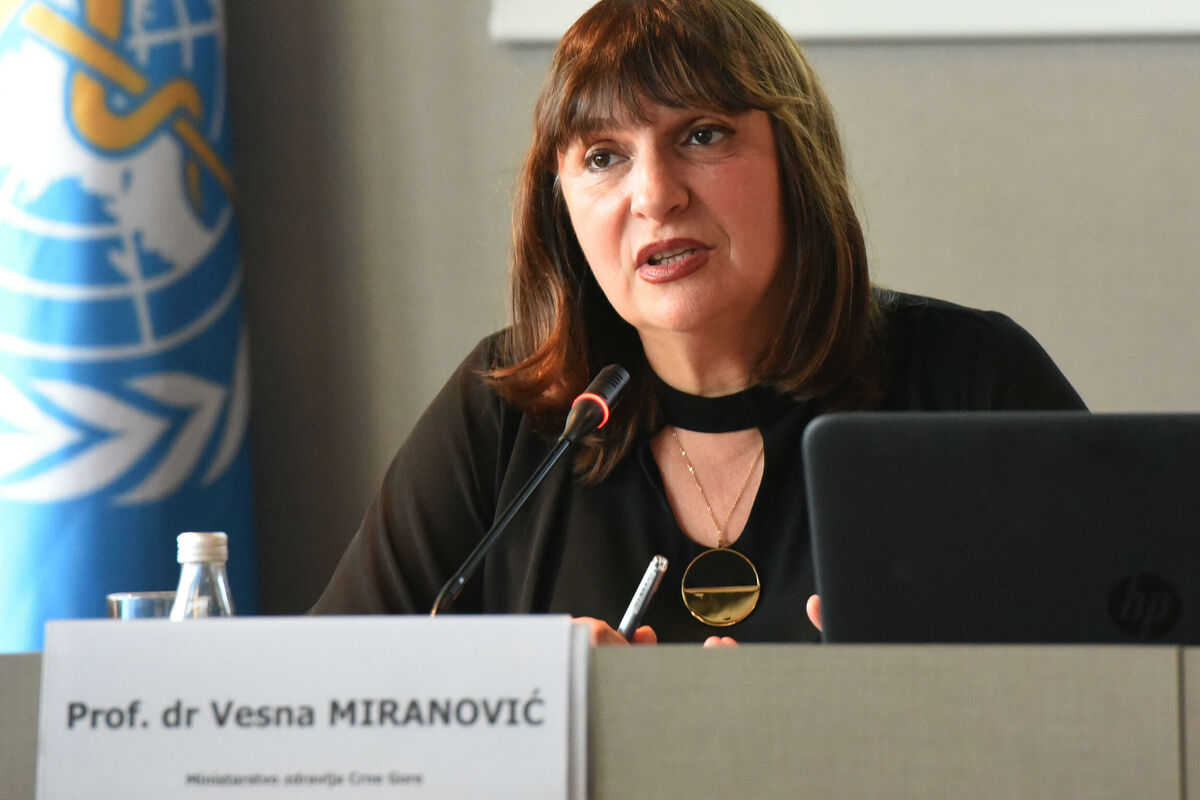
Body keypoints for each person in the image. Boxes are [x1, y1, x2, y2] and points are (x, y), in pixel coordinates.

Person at [311, 0, 1085, 644]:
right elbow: (319, 708)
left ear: (796, 160)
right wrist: (538, 714)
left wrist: (917, 698)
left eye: (702, 135)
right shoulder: (507, 415)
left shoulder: (969, 381)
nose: (656, 195)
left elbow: (1128, 694)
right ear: (561, 204)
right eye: (603, 156)